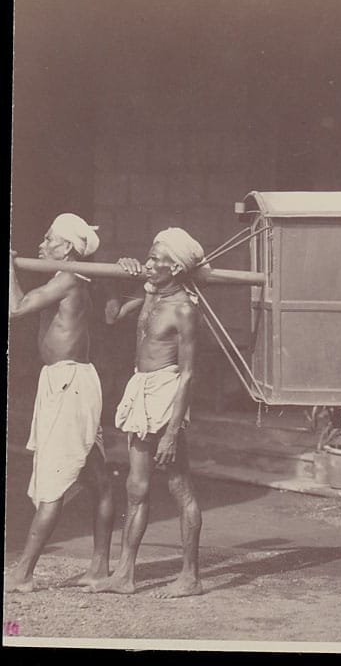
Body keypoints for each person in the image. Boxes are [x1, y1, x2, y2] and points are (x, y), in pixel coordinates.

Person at [92, 228, 205, 598]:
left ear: (175, 268)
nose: (149, 263)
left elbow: (188, 374)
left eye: (157, 259)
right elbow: (111, 317)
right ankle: (125, 575)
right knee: (136, 487)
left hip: (166, 393)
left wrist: (172, 431)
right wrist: (115, 278)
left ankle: (190, 577)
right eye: (149, 256)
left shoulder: (184, 310)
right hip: (141, 387)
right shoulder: (149, 294)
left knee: (180, 486)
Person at [7, 214, 113, 592]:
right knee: (98, 480)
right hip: (63, 382)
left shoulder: (70, 278)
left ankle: (22, 573)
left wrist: (8, 265)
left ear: (65, 248)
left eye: (48, 238)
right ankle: (100, 567)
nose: (41, 245)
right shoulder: (68, 279)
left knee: (54, 480)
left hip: (71, 382)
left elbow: (15, 308)